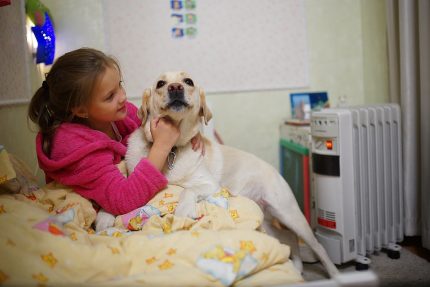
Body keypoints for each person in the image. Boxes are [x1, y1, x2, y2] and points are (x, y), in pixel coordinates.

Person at [28, 47, 202, 215]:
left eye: (120, 85)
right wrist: (162, 146)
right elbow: (123, 200)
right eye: (110, 96)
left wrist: (189, 133)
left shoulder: (124, 115)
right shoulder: (74, 146)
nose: (123, 97)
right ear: (81, 111)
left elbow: (156, 123)